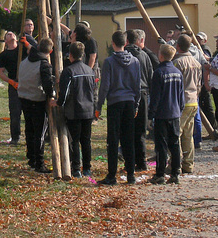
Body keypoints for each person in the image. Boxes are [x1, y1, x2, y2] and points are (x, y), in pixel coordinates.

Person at [96, 30, 141, 186]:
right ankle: (131, 174)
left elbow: (105, 86)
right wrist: (136, 104)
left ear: (113, 43)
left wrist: (99, 105)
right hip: (129, 101)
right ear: (126, 43)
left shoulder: (109, 62)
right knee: (128, 139)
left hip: (115, 102)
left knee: (113, 139)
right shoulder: (135, 61)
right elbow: (137, 85)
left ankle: (111, 174)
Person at [18, 36, 56, 173]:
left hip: (23, 97)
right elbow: (47, 85)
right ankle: (39, 163)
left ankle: (31, 158)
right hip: (37, 100)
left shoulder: (25, 61)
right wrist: (52, 94)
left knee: (29, 130)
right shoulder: (44, 64)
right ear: (50, 52)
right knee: (39, 132)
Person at [58, 41, 95, 178]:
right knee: (86, 140)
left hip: (74, 111)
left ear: (70, 55)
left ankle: (76, 169)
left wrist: (59, 103)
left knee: (74, 140)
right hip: (88, 110)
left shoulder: (69, 71)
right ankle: (87, 168)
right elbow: (93, 90)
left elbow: (65, 92)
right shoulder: (89, 70)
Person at [148, 43, 184, 184]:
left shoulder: (159, 73)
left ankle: (160, 174)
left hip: (162, 113)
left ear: (161, 55)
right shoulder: (178, 72)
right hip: (174, 112)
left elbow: (155, 96)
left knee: (161, 145)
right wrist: (180, 109)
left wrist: (151, 115)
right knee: (175, 144)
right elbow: (181, 95)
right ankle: (175, 173)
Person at [172, 34, 202, 174]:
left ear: (178, 46)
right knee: (188, 135)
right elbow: (199, 84)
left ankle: (175, 163)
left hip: (181, 101)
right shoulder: (196, 63)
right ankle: (188, 164)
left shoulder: (177, 63)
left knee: (176, 133)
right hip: (194, 100)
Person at [125, 29, 153, 171]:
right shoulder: (144, 56)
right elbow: (150, 76)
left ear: (127, 40)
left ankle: (129, 163)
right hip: (143, 93)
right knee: (140, 131)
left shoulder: (123, 55)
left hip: (127, 94)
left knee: (128, 130)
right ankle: (141, 162)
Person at [0, 31, 22, 145]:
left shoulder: (23, 50)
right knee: (15, 112)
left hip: (26, 82)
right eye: (8, 34)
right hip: (14, 84)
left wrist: (26, 44)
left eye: (12, 33)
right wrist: (11, 82)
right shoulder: (4, 55)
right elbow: (0, 73)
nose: (11, 34)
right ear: (5, 40)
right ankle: (15, 137)